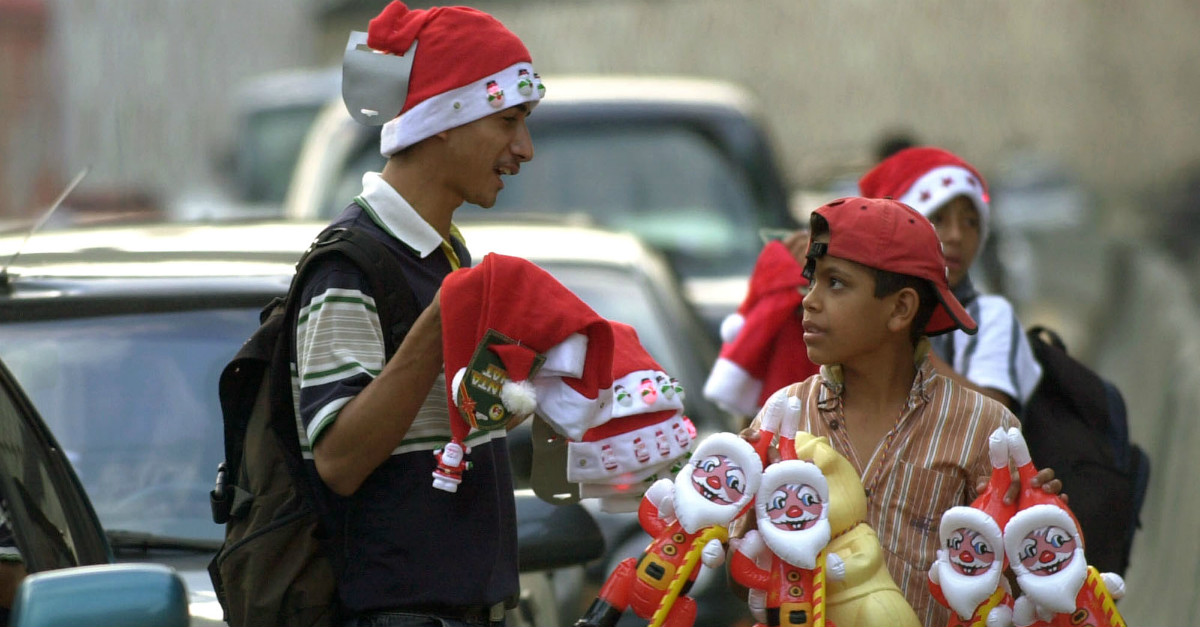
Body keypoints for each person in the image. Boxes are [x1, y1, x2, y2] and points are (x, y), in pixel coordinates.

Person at [289, 2, 541, 625]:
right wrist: (436, 332)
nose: (524, 149)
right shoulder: (351, 264)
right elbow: (339, 461)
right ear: (445, 119)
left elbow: (438, 432)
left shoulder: (446, 252)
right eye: (508, 121)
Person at [741, 197, 1062, 626]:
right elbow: (741, 578)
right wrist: (748, 509)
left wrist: (1033, 527)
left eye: (835, 283)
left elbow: (1019, 590)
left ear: (900, 309)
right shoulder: (783, 419)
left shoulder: (983, 428)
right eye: (811, 280)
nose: (810, 301)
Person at [858, 146, 1042, 413]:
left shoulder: (989, 317)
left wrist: (909, 345)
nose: (956, 236)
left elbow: (994, 416)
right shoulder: (859, 310)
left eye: (971, 222)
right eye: (938, 218)